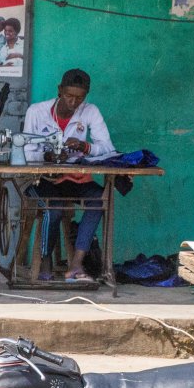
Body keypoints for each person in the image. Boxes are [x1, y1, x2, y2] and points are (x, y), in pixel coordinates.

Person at [23, 68, 115, 282]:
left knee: (100, 199)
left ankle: (76, 263)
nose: (73, 102)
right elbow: (27, 152)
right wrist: (47, 156)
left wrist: (85, 147)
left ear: (86, 96)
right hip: (42, 179)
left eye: (79, 98)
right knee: (53, 208)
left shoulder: (90, 111)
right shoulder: (37, 112)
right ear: (59, 90)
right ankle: (45, 259)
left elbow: (108, 149)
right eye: (69, 96)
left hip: (73, 178)